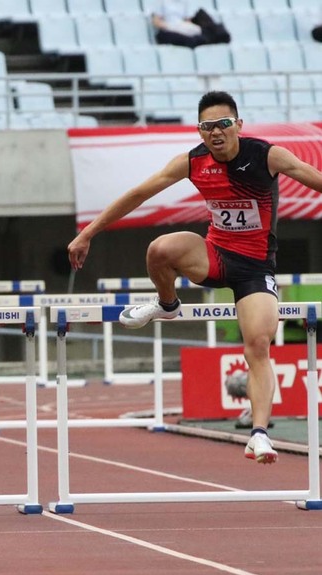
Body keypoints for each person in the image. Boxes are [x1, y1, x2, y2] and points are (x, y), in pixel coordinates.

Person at [67, 90, 322, 466]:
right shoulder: (193, 161)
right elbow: (139, 193)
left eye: (222, 124)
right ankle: (166, 304)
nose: (215, 133)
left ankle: (260, 436)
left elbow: (315, 178)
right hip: (214, 257)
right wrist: (88, 232)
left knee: (257, 345)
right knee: (159, 250)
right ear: (200, 131)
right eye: (206, 127)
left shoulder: (267, 155)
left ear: (237, 124)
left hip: (255, 269)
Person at [151, 0, 229, 48]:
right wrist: (170, 26)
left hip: (181, 27)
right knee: (190, 40)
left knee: (200, 32)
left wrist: (184, 28)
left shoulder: (184, 2)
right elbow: (156, 22)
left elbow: (187, 21)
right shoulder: (162, 1)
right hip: (167, 29)